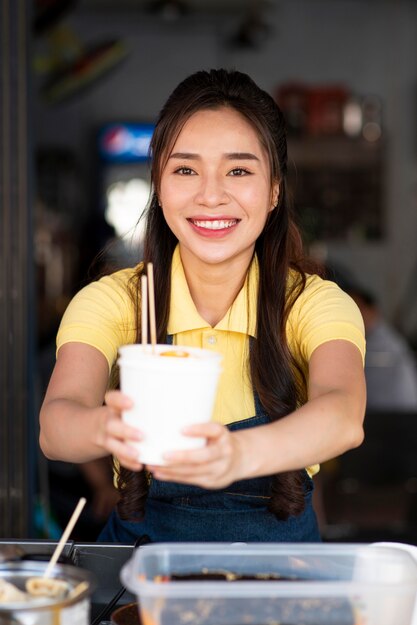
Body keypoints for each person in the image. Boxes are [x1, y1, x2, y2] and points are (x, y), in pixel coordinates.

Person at [39, 68, 366, 543]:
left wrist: (237, 455)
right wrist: (105, 426)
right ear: (159, 183)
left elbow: (343, 415)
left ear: (274, 188)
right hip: (139, 576)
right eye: (185, 169)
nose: (211, 195)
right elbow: (55, 427)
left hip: (278, 578)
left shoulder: (312, 303)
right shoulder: (115, 301)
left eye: (238, 170)